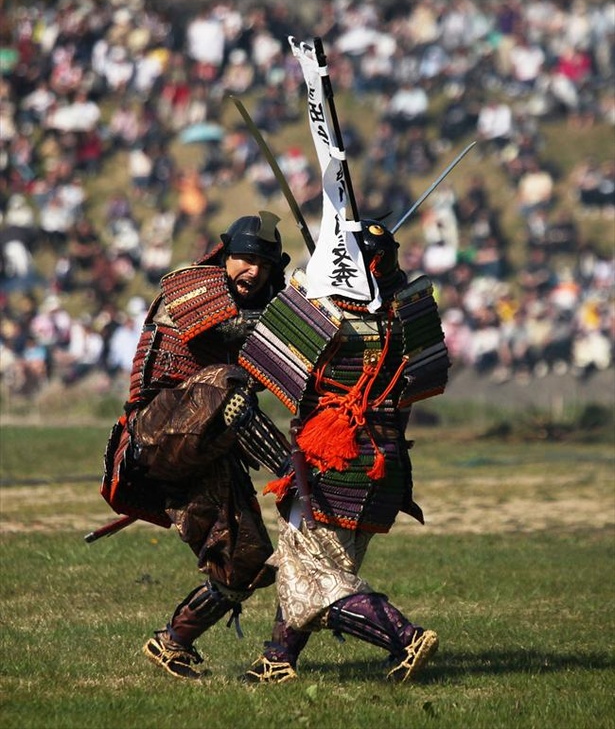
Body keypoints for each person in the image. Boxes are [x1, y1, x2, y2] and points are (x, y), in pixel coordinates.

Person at [238, 219, 449, 684]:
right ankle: (278, 658)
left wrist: (311, 290)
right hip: (386, 460)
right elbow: (414, 391)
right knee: (311, 565)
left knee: (316, 576)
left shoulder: (326, 309)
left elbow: (267, 365)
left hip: (332, 457)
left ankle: (404, 637)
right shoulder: (409, 312)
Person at [100, 212, 291, 680]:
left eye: (264, 265)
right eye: (245, 259)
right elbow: (233, 333)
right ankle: (287, 466)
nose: (254, 272)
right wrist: (301, 307)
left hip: (206, 442)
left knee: (245, 560)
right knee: (228, 382)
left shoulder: (258, 305)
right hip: (156, 428)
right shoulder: (187, 286)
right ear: (226, 254)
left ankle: (173, 643)